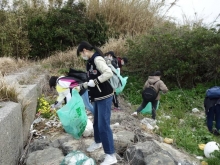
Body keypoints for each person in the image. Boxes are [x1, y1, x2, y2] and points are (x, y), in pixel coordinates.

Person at [76, 41, 117, 165]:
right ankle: (98, 141)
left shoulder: (97, 59)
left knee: (103, 125)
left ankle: (111, 155)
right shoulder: (89, 62)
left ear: (84, 50)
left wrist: (97, 82)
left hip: (105, 96)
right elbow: (90, 80)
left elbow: (108, 73)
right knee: (97, 122)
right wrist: (81, 86)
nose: (81, 57)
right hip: (97, 97)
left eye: (80, 54)